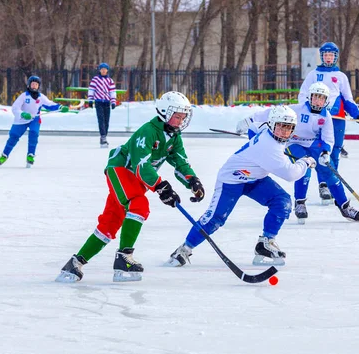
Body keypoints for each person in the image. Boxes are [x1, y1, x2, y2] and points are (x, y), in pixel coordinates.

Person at [55, 91, 205, 283]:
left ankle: (75, 264)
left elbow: (180, 162)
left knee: (110, 223)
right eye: (177, 116)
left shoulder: (174, 137)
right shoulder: (148, 131)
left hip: (134, 180)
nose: (181, 120)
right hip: (120, 171)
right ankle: (124, 257)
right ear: (164, 113)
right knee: (139, 204)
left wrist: (192, 181)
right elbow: (141, 166)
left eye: (183, 117)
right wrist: (161, 187)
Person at [167, 105, 317, 268]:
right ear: (272, 124)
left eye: (288, 128)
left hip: (255, 179)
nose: (284, 132)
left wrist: (251, 136)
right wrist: (306, 161)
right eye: (280, 126)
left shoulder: (264, 130)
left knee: (282, 201)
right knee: (216, 218)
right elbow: (291, 174)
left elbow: (253, 128)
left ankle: (266, 243)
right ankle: (183, 249)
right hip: (232, 179)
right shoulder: (270, 148)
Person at [237, 83, 359, 224]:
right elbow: (273, 112)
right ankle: (300, 203)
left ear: (326, 100)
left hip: (313, 143)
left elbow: (328, 137)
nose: (318, 101)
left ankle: (344, 206)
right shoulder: (296, 109)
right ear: (310, 97)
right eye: (315, 96)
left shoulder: (326, 116)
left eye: (321, 98)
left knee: (330, 172)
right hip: (293, 142)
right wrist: (249, 120)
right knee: (303, 168)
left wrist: (325, 152)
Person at [297, 41, 359, 202]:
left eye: (331, 55)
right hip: (317, 118)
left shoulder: (341, 76)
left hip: (336, 118)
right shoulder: (313, 75)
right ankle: (322, 184)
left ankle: (329, 183)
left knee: (334, 150)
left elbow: (348, 98)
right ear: (322, 56)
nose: (328, 58)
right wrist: (307, 111)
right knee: (318, 150)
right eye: (326, 55)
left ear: (335, 57)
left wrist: (358, 116)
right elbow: (303, 96)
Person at [0, 76, 68, 168]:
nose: (34, 86)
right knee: (13, 136)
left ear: (39, 86)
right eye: (32, 84)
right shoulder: (23, 96)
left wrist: (60, 107)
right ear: (29, 85)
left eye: (36, 84)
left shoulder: (41, 97)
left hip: (34, 119)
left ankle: (30, 155)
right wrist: (22, 114)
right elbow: (15, 108)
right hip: (21, 120)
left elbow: (50, 105)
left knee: (34, 133)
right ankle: (4, 155)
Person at [88, 63, 117, 148]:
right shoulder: (95, 80)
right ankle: (103, 136)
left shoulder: (110, 80)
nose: (103, 70)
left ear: (107, 70)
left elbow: (112, 92)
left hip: (107, 102)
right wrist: (90, 100)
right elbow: (91, 90)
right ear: (99, 70)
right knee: (101, 119)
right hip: (98, 102)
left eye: (105, 69)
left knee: (106, 120)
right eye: (102, 69)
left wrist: (113, 102)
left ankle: (104, 136)